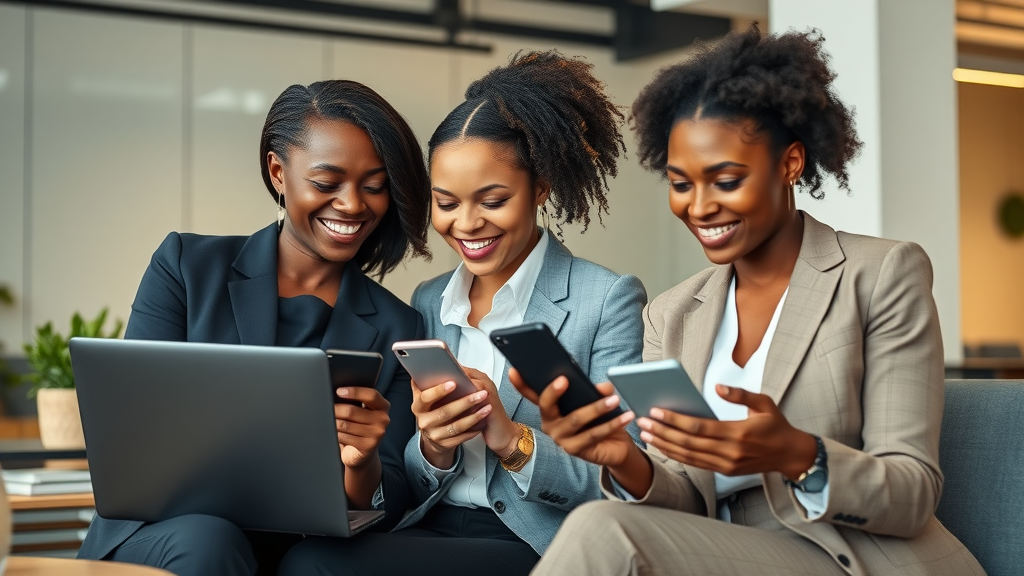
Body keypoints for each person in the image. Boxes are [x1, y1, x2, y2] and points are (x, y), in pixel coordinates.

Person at [518, 26, 986, 576]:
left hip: (856, 557)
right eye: (681, 183)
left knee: (602, 531)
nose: (700, 207)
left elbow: (912, 492)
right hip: (728, 554)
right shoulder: (670, 314)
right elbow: (687, 496)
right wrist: (620, 458)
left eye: (726, 179)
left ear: (789, 163)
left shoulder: (880, 273)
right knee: (605, 522)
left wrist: (794, 453)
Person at [278, 50, 647, 576]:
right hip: (432, 524)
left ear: (539, 187)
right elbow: (412, 472)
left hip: (536, 540)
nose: (467, 223)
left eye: (492, 200)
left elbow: (629, 477)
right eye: (446, 203)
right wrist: (433, 447)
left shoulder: (604, 299)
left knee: (315, 567)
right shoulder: (430, 301)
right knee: (309, 557)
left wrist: (510, 439)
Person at [77, 80, 432, 576]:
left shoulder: (398, 323)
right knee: (209, 540)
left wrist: (362, 461)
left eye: (373, 186)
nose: (353, 205)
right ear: (278, 172)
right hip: (167, 533)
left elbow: (388, 501)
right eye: (327, 183)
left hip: (296, 552)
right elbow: (133, 433)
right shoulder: (186, 267)